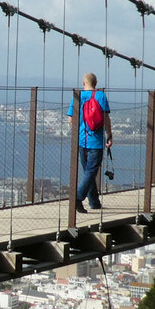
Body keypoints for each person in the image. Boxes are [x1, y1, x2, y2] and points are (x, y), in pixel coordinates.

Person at [70, 72, 112, 213]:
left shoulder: (78, 96)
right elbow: (106, 118)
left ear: (83, 83)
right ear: (96, 83)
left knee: (89, 172)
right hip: (96, 142)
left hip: (82, 141)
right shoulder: (100, 96)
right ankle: (77, 198)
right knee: (91, 172)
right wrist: (109, 135)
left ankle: (94, 202)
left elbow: (71, 119)